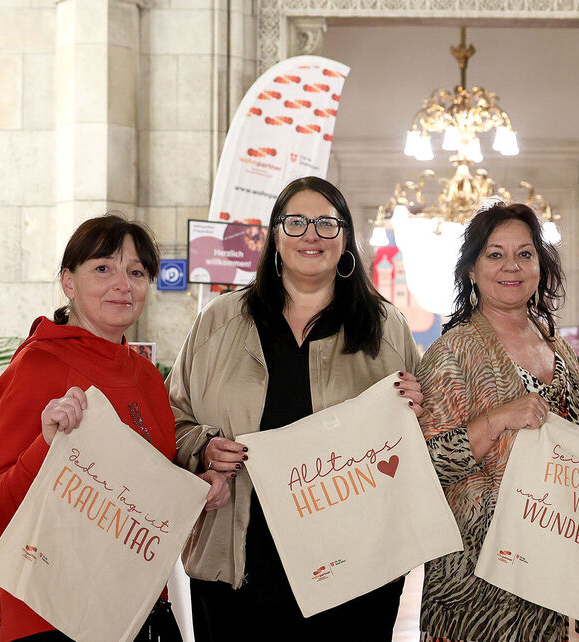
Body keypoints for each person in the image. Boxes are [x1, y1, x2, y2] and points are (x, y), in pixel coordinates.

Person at [167, 176, 424, 640]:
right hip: (239, 560)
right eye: (297, 221)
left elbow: (421, 438)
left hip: (354, 572)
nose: (312, 234)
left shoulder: (387, 329)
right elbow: (173, 417)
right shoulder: (218, 322)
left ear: (345, 238)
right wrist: (204, 449)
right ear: (275, 236)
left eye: (327, 223)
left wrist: (419, 409)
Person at [0, 214, 229, 642]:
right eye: (103, 268)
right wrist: (46, 445)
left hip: (137, 610)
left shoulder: (147, 376)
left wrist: (197, 490)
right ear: (68, 283)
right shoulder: (36, 367)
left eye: (136, 272)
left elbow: (139, 491)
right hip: (53, 619)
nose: (123, 284)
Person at [416, 201, 579, 642]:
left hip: (556, 574)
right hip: (479, 590)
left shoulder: (559, 349)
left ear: (540, 265)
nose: (511, 266)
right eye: (495, 254)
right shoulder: (452, 352)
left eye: (525, 253)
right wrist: (497, 419)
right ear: (472, 270)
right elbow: (423, 465)